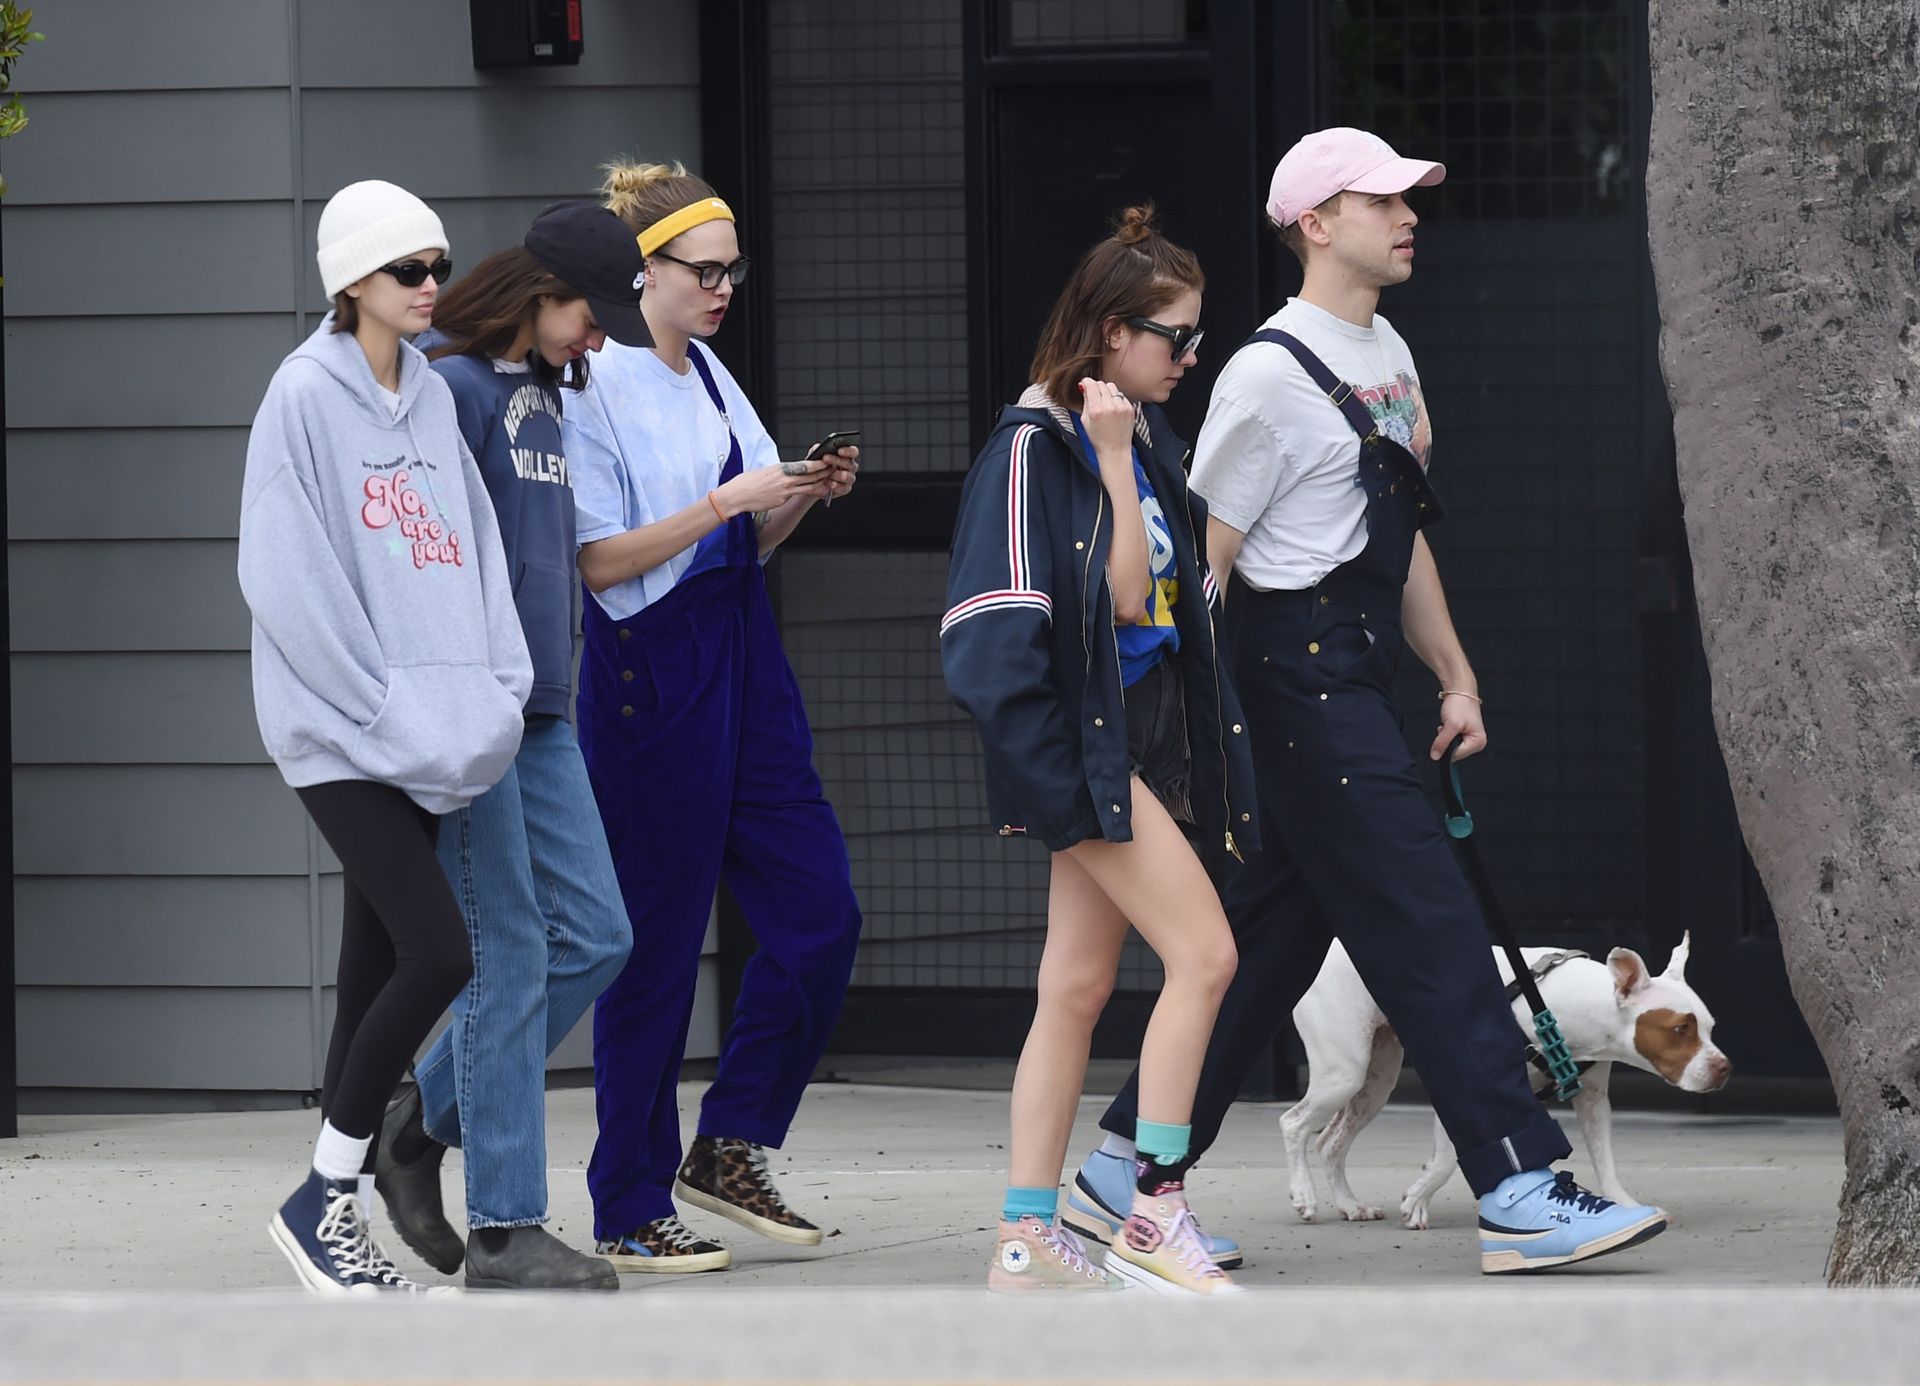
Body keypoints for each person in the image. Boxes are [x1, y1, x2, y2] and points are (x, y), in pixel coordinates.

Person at [1068, 129, 1668, 1274]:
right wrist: (1188, 730)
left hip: (1356, 670)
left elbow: (1399, 538)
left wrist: (1455, 675)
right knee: (1430, 923)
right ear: (1313, 223)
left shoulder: (1385, 348)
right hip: (1293, 678)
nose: (1409, 216)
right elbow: (1209, 563)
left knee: (1262, 945)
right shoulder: (1263, 375)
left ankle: (1119, 1175)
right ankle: (1518, 1186)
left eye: (1411, 199)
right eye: (1381, 198)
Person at [942, 206, 1258, 1296]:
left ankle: (1029, 1237)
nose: (1188, 358)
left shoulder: (1117, 440)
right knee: (1206, 958)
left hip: (1115, 751)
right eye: (1176, 337)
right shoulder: (1038, 449)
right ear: (1112, 334)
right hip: (1085, 757)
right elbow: (1111, 601)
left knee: (1073, 986)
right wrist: (1119, 462)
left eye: (1195, 338)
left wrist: (1126, 456)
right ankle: (1151, 1214)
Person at [563, 160, 864, 1275]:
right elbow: (601, 566)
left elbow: (744, 541)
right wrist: (725, 504)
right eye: (705, 269)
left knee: (821, 911)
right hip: (652, 669)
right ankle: (627, 1201)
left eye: (734, 269)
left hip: (742, 648)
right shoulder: (593, 383)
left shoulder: (710, 374)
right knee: (650, 946)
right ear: (644, 272)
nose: (724, 286)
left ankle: (729, 1142)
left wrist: (795, 499)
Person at [238, 179, 533, 1294]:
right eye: (409, 270)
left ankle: (336, 1212)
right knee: (441, 953)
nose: (430, 289)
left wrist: (497, 688)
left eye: (437, 267)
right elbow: (282, 572)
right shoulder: (302, 397)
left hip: (436, 731)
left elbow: (476, 554)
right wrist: (372, 702)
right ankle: (323, 1198)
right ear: (350, 282)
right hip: (339, 730)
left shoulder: (430, 398)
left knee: (371, 981)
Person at [370, 201, 652, 1291]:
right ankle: (505, 1226)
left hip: (544, 713)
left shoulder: (540, 388)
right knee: (515, 951)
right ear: (537, 296)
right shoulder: (450, 388)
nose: (597, 338)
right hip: (473, 713)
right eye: (589, 314)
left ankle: (417, 1122)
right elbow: (420, 560)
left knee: (599, 936)